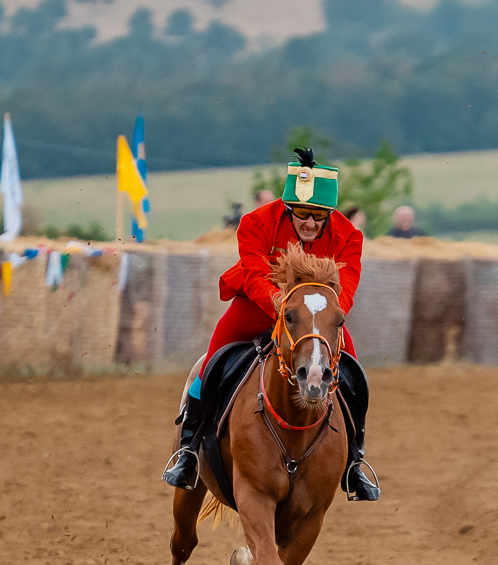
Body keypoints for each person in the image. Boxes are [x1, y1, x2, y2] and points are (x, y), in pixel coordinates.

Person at [162, 148, 380, 500]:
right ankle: (188, 448)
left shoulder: (349, 236)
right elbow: (252, 272)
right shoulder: (256, 223)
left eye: (318, 216)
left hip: (315, 316)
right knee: (212, 360)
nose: (310, 224)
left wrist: (327, 317)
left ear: (330, 213)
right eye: (302, 215)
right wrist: (280, 304)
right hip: (259, 304)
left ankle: (355, 460)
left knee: (353, 372)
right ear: (288, 207)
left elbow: (346, 290)